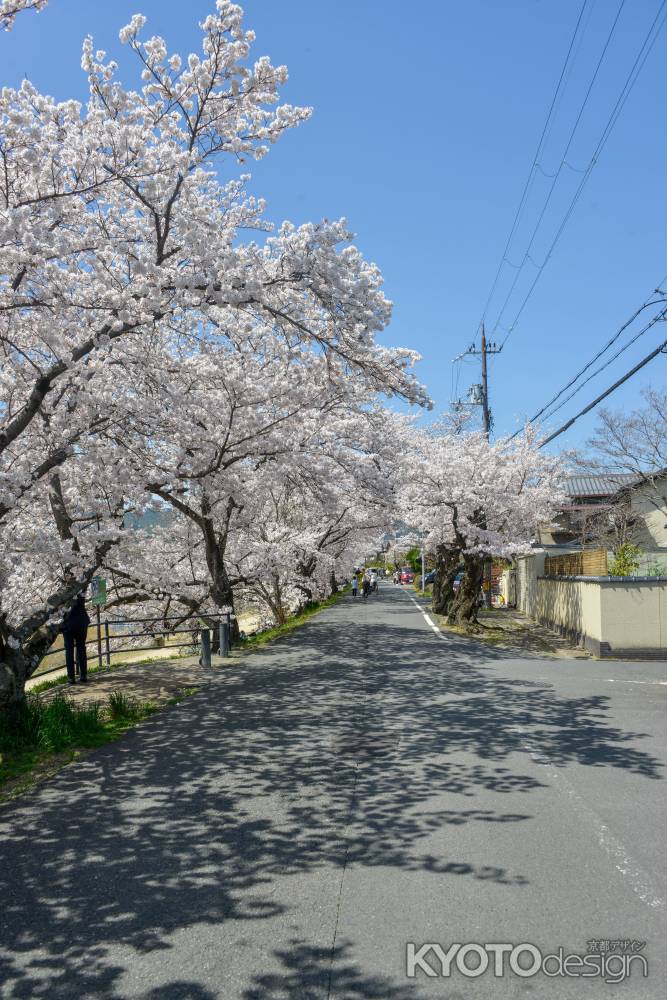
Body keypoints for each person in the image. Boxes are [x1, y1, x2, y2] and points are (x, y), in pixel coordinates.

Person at [61, 594, 91, 684]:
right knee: (81, 648)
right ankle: (83, 675)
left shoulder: (63, 592)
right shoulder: (81, 589)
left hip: (68, 624)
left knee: (69, 651)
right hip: (81, 621)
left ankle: (71, 677)